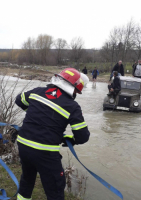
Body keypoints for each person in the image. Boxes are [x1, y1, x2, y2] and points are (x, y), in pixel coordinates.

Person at [14, 68, 90, 200]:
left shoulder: (37, 91)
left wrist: (35, 114)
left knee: (27, 179)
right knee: (55, 188)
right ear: (74, 89)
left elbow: (19, 100)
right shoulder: (72, 106)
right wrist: (71, 140)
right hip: (45, 153)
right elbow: (83, 136)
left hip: (24, 146)